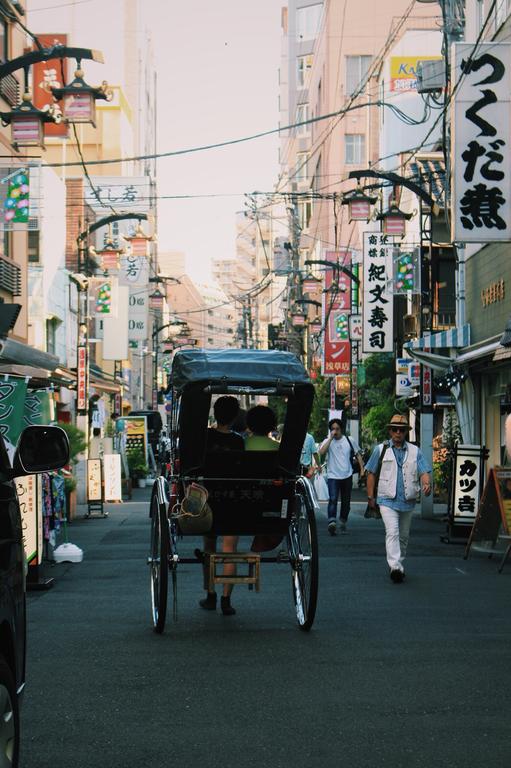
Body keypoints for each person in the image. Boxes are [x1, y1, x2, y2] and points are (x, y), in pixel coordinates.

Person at [365, 414, 432, 584]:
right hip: (386, 500)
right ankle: (395, 567)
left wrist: (426, 484)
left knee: (403, 536)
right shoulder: (380, 450)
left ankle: (398, 564)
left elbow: (424, 471)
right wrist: (370, 496)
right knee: (392, 532)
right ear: (390, 431)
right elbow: (371, 473)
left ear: (406, 432)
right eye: (394, 429)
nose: (398, 433)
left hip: (408, 501)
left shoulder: (415, 451)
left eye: (401, 430)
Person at [199, 396, 244, 616]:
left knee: (209, 549)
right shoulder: (238, 441)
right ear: (235, 416)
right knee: (230, 551)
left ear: (215, 413)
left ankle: (211, 595)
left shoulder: (205, 438)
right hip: (234, 501)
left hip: (209, 500)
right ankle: (227, 600)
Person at [318, 418, 364, 535]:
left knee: (346, 501)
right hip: (333, 475)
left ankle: (343, 521)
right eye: (333, 429)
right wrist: (330, 438)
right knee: (333, 499)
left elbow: (358, 454)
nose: (335, 431)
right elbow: (321, 452)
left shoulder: (349, 440)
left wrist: (362, 469)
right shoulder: (328, 441)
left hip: (347, 474)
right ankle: (332, 522)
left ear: (341, 429)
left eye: (337, 429)